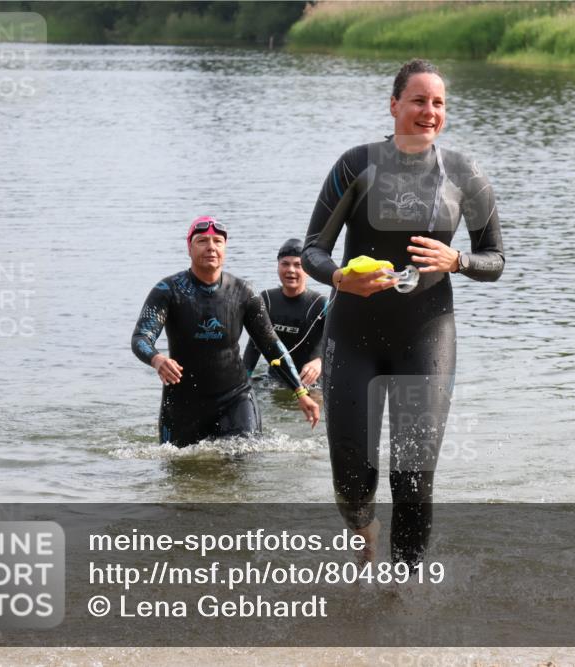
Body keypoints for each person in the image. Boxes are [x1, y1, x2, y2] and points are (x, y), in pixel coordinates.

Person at [302, 59, 505, 565]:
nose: (428, 111)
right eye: (418, 100)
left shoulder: (466, 175)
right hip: (353, 332)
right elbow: (312, 250)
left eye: (438, 103)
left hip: (426, 332)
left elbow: (495, 259)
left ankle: (404, 593)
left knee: (413, 474)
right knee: (352, 472)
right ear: (394, 105)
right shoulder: (356, 165)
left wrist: (457, 260)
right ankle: (364, 528)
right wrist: (341, 278)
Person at [133, 216, 319, 448]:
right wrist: (157, 359)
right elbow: (141, 337)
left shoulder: (244, 292)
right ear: (189, 248)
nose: (211, 247)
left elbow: (271, 345)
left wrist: (300, 392)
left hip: (235, 398)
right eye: (202, 241)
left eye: (217, 241)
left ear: (225, 248)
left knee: (243, 467)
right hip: (183, 403)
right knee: (178, 471)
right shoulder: (167, 291)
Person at [242, 238, 327, 387]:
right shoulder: (266, 299)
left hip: (311, 384)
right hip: (273, 381)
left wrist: (321, 362)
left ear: (308, 270)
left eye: (298, 265)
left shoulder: (320, 304)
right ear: (278, 266)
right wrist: (243, 380)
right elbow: (254, 346)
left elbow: (339, 345)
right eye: (285, 264)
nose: (291, 270)